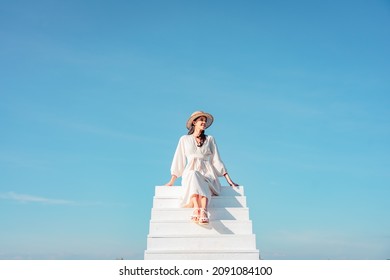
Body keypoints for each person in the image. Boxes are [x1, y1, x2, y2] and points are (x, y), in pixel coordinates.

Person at [165, 111, 239, 225]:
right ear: (194, 122)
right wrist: (172, 180)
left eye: (205, 121)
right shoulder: (184, 139)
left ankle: (203, 210)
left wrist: (229, 180)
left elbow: (217, 160)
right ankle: (197, 208)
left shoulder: (210, 139)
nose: (204, 122)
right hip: (190, 171)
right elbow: (178, 159)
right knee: (193, 174)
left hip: (207, 172)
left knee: (202, 180)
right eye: (201, 120)